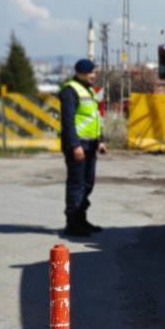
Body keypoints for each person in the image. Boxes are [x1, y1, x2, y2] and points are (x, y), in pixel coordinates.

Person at [59, 59, 106, 236]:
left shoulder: (89, 90)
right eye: (90, 72)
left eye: (94, 72)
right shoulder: (70, 91)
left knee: (87, 184)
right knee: (76, 184)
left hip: (91, 144)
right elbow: (68, 122)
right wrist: (74, 145)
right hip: (77, 145)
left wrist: (100, 140)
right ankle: (72, 224)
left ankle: (81, 219)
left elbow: (95, 117)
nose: (93, 75)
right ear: (81, 73)